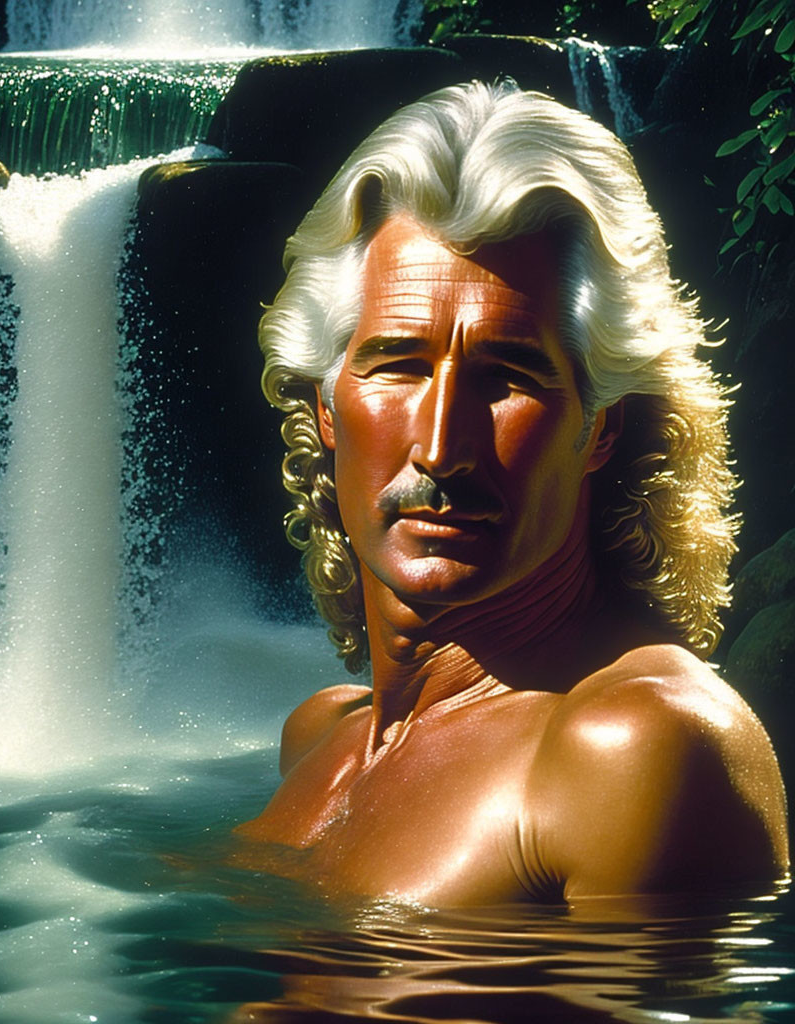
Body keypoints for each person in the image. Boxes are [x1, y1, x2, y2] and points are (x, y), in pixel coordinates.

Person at [235, 81, 788, 906]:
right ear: (325, 406)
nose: (439, 447)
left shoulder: (638, 751)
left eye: (509, 377)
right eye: (397, 364)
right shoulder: (321, 735)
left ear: (602, 426)